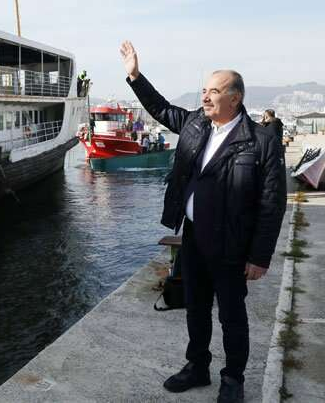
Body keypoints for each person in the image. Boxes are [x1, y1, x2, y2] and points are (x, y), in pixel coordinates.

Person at [120, 40, 286, 403]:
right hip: (193, 238)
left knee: (231, 316)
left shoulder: (261, 142)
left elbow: (272, 203)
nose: (205, 97)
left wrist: (259, 256)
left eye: (214, 91)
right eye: (204, 91)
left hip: (231, 244)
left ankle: (233, 379)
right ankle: (197, 366)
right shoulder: (196, 123)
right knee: (195, 308)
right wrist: (135, 76)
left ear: (235, 98)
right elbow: (161, 108)